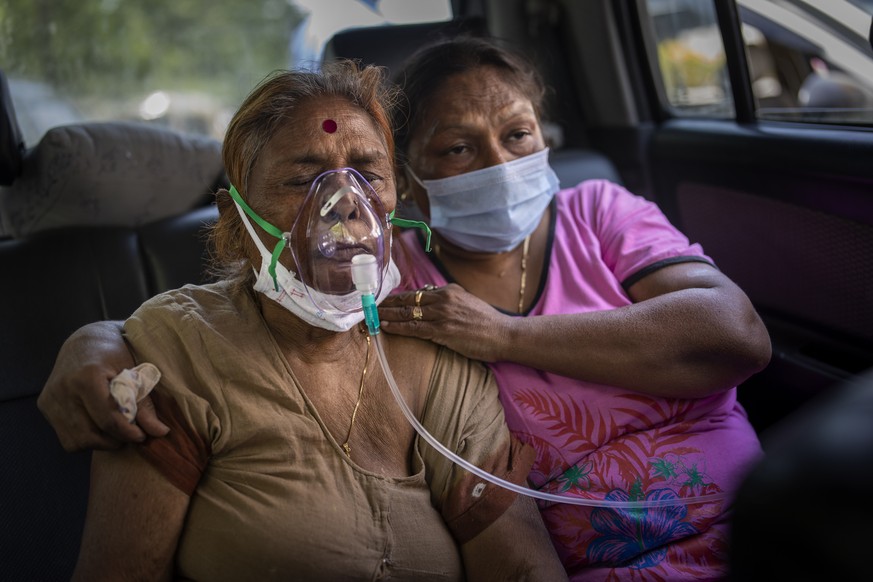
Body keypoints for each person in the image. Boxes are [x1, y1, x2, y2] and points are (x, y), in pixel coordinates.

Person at [39, 37, 771, 580]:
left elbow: (735, 337)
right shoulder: (378, 298)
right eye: (456, 147)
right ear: (419, 181)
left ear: (395, 193)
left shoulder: (568, 233)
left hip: (755, 520)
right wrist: (99, 338)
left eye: (364, 173)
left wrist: (506, 336)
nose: (344, 206)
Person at [66, 61, 566, 581]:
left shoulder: (438, 357)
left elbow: (522, 567)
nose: (346, 204)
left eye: (369, 175)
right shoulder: (182, 348)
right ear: (237, 221)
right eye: (303, 180)